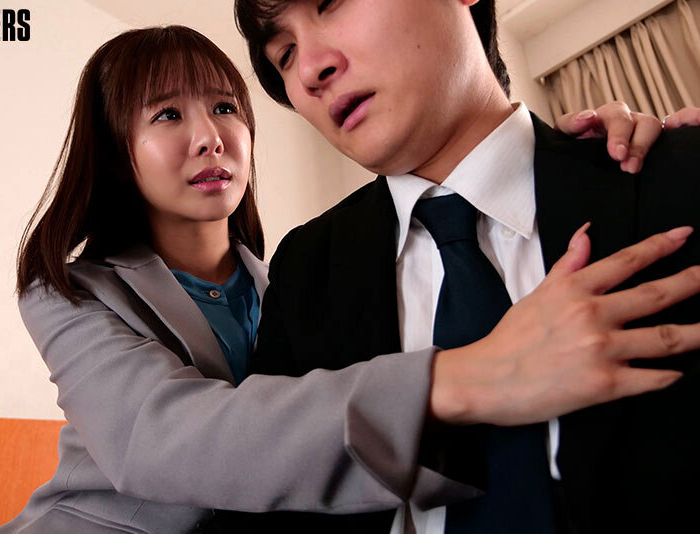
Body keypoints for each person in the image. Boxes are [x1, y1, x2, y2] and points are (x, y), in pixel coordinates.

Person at [0, 19, 688, 534]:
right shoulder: (71, 291)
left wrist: (602, 162)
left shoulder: (287, 279)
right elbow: (159, 440)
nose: (211, 137)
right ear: (117, 156)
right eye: (168, 114)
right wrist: (468, 375)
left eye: (226, 107)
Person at [234, 0, 700, 532]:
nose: (310, 69)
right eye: (285, 54)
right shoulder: (303, 271)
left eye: (332, 3)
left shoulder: (676, 173)